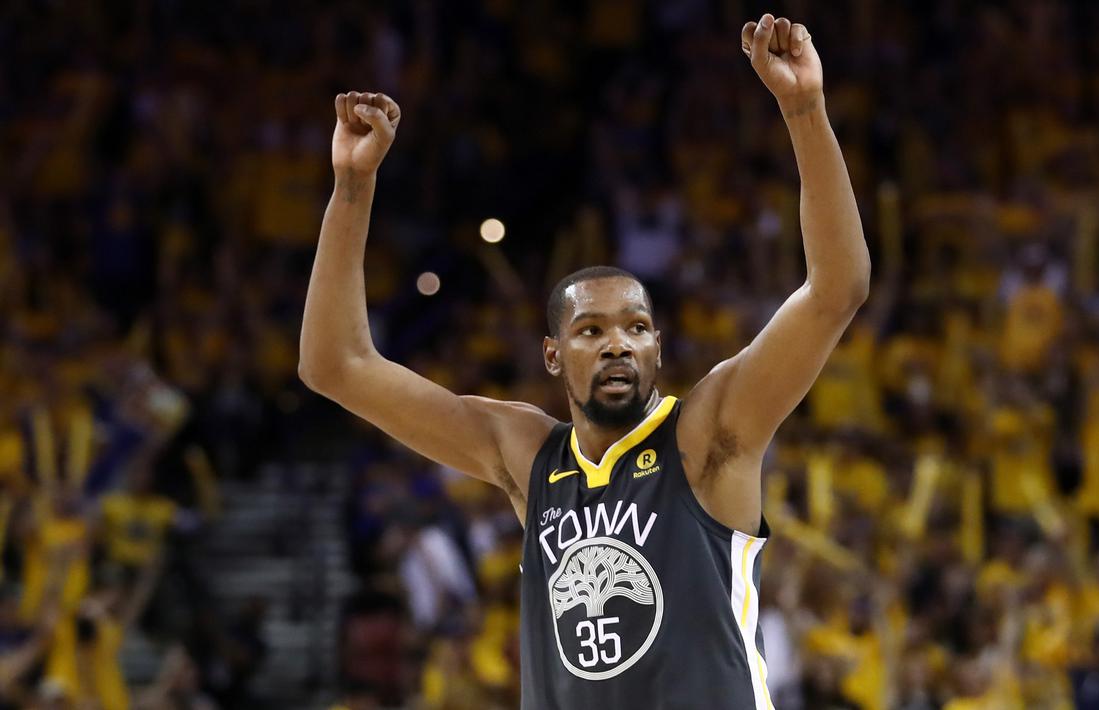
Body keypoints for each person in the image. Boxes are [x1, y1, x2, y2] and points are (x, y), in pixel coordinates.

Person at [299, 13, 869, 709]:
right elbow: (335, 365)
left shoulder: (707, 435)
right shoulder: (525, 453)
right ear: (551, 354)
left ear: (657, 346)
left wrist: (804, 108)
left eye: (635, 327)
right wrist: (352, 189)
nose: (617, 343)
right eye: (591, 330)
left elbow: (835, 290)